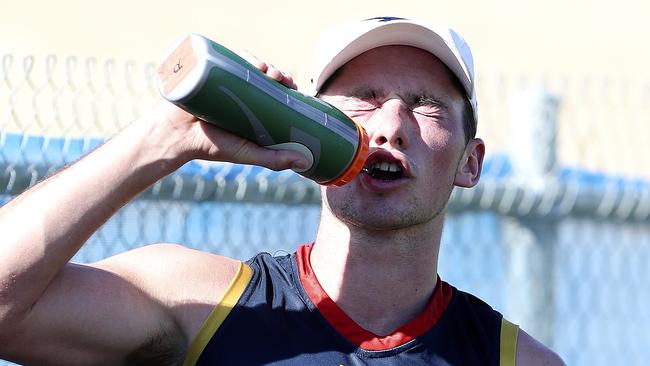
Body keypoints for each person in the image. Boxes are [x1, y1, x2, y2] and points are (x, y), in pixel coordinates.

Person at [0, 17, 565, 365]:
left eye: (425, 105)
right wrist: (166, 137)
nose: (392, 124)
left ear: (470, 162)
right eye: (363, 97)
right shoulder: (199, 303)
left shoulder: (517, 361)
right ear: (311, 122)